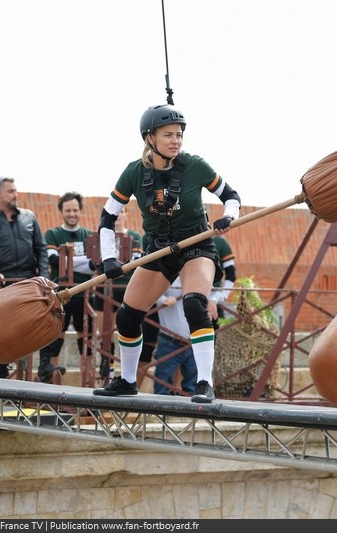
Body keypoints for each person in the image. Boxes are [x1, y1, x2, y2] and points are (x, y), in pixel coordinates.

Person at [93, 103, 240, 403]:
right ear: (150, 138)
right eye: (168, 135)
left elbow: (231, 196)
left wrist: (228, 217)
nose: (176, 141)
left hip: (196, 246)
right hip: (157, 251)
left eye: (180, 135)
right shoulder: (134, 172)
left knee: (196, 306)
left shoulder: (196, 166)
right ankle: (128, 381)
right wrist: (109, 258)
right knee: (127, 318)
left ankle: (204, 383)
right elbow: (108, 217)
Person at [0, 177, 48, 379]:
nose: (16, 194)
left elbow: (41, 249)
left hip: (28, 285)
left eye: (15, 190)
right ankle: (1, 377)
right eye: (10, 191)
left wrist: (44, 277)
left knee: (32, 328)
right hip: (0, 287)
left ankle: (30, 376)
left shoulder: (29, 217)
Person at [38, 191, 97, 384]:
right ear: (61, 212)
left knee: (86, 345)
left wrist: (67, 260)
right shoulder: (53, 234)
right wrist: (82, 262)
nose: (72, 214)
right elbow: (53, 259)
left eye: (75, 210)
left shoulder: (89, 235)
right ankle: (52, 391)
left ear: (80, 211)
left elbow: (94, 265)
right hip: (59, 296)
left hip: (84, 295)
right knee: (54, 341)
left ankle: (86, 391)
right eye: (68, 210)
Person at [92, 207, 143, 382]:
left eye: (122, 212)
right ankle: (109, 374)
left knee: (124, 331)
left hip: (126, 288)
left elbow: (136, 262)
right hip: (104, 288)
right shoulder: (103, 236)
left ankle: (126, 375)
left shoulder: (135, 236)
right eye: (117, 212)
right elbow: (94, 262)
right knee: (105, 334)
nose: (119, 216)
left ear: (127, 215)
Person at [150, 276, 198, 395]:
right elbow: (151, 291)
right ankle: (160, 412)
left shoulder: (196, 277)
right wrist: (163, 300)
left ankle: (191, 412)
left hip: (194, 341)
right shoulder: (167, 276)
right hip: (170, 340)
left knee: (193, 387)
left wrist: (213, 299)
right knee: (162, 383)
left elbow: (216, 291)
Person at [209, 235, 237, 330]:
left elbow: (231, 275)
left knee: (215, 339)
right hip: (181, 302)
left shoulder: (219, 241)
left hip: (212, 300)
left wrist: (216, 298)